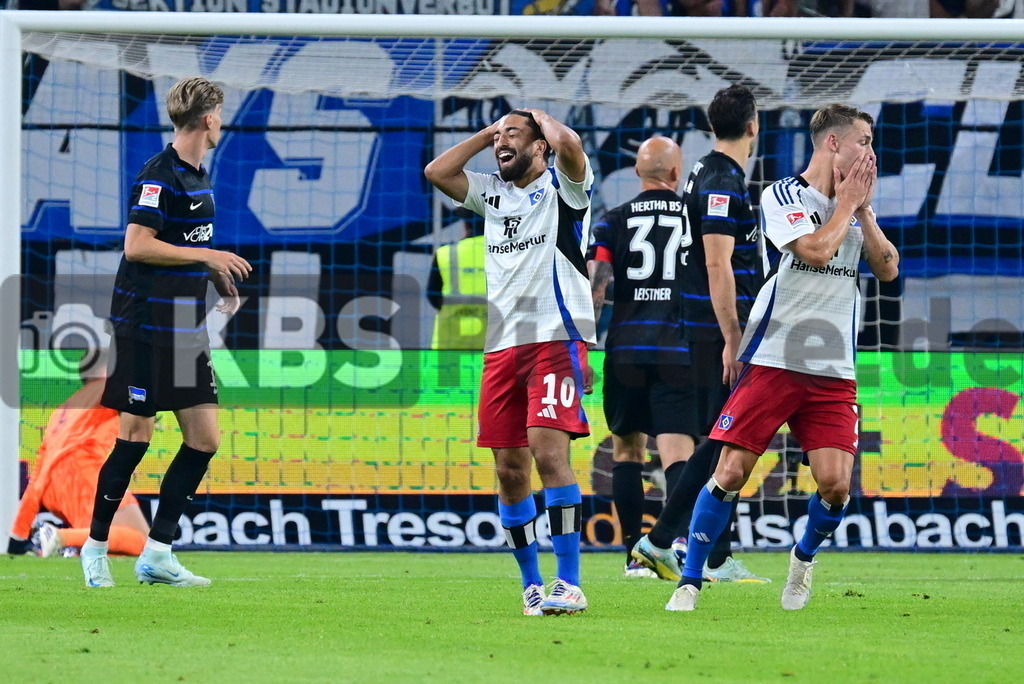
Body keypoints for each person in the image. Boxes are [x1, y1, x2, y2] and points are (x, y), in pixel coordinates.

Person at [665, 103, 899, 612]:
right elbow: (813, 249)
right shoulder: (783, 193)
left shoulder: (856, 208)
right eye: (864, 141)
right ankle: (689, 579)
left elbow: (887, 268)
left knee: (836, 485)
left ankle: (802, 559)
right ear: (834, 143)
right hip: (774, 355)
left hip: (833, 368)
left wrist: (861, 210)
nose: (870, 152)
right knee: (730, 471)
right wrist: (846, 206)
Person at [80, 76, 251, 589]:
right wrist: (207, 255)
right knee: (135, 437)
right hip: (143, 326)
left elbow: (188, 241)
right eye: (221, 113)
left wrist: (216, 274)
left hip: (184, 327)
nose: (223, 121)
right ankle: (94, 549)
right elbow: (137, 245)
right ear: (209, 118)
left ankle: (158, 553)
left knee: (204, 438)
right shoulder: (159, 174)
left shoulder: (201, 174)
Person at [425, 108, 596, 616]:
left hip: (554, 335)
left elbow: (572, 146)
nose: (502, 143)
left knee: (548, 455)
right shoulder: (491, 193)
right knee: (509, 469)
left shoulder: (566, 189)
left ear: (540, 144)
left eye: (513, 136)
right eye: (498, 138)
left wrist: (538, 119)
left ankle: (570, 582)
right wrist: (489, 133)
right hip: (501, 347)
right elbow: (437, 172)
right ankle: (532, 584)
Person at [632, 85, 769, 584]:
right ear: (753, 126)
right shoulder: (720, 179)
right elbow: (717, 262)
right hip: (716, 331)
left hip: (705, 327)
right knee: (722, 437)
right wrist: (733, 337)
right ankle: (660, 539)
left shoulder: (709, 170)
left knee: (726, 437)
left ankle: (713, 556)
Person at [588, 136, 697, 579]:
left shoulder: (612, 221)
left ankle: (635, 555)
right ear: (676, 174)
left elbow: (596, 285)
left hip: (626, 347)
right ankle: (677, 544)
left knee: (626, 452)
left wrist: (586, 344)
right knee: (678, 451)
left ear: (637, 172)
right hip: (678, 347)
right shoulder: (695, 219)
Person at [7, 351, 149, 558]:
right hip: (85, 475)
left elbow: (38, 475)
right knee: (143, 543)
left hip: (54, 487)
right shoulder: (108, 388)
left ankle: (65, 544)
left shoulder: (63, 409)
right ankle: (61, 539)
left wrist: (18, 536)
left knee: (111, 550)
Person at [426, 209, 488, 350]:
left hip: (451, 344)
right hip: (496, 347)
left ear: (466, 225)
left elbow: (433, 296)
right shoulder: (507, 254)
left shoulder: (446, 253)